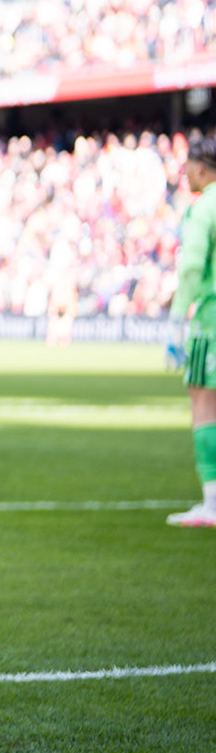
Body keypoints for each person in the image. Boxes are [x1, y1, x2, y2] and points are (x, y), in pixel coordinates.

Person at [165, 137, 216, 528]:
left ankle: (212, 503)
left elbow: (192, 266)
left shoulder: (203, 208)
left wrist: (176, 320)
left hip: (210, 323)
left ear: (201, 167)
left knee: (203, 402)